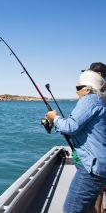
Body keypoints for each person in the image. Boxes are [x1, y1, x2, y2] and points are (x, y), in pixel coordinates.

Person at [46, 69, 106, 213]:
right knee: (88, 208)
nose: (77, 92)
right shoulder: (100, 101)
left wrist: (55, 118)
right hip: (98, 164)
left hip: (92, 167)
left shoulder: (90, 99)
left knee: (71, 209)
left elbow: (71, 126)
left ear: (88, 89)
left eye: (78, 88)